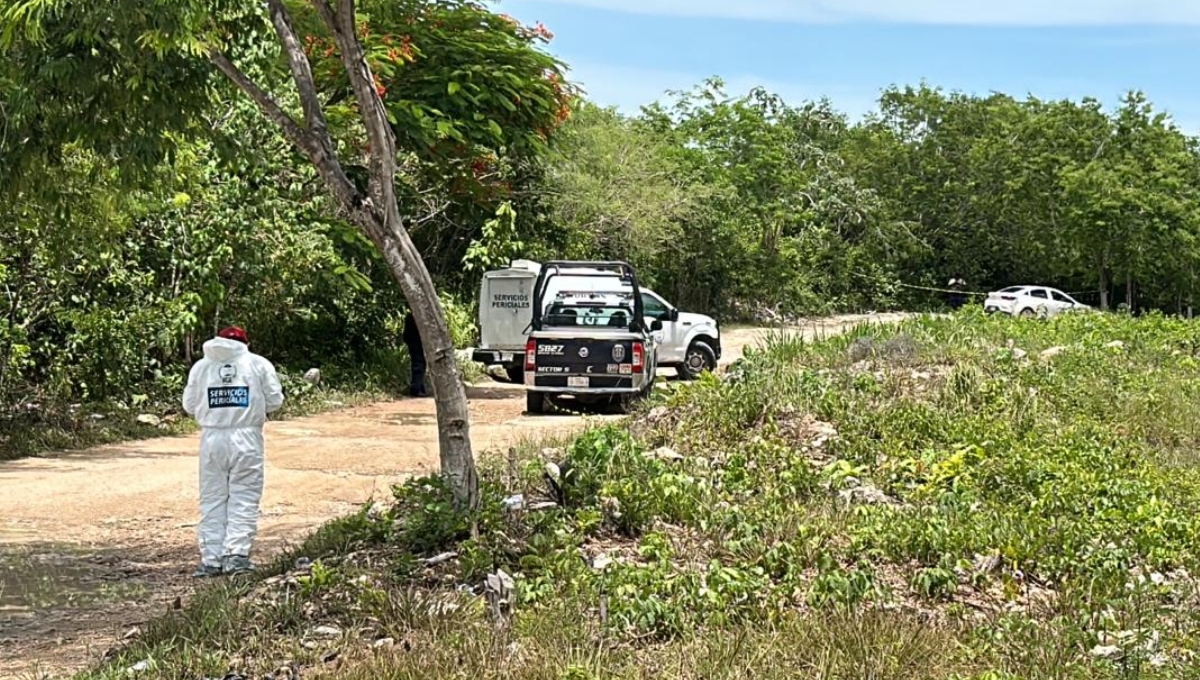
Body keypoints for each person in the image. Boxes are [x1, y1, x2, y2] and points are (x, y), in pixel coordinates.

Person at [182, 326, 284, 577]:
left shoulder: (201, 367)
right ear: (245, 343)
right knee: (244, 495)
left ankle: (211, 560)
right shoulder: (258, 364)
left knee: (212, 498)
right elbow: (275, 401)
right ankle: (236, 555)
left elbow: (189, 405)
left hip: (211, 438)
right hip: (246, 438)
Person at [402, 311, 429, 398]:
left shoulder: (410, 316)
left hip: (413, 342)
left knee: (418, 363)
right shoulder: (418, 316)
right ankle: (416, 389)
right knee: (419, 364)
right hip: (416, 342)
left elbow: (405, 335)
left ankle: (419, 387)